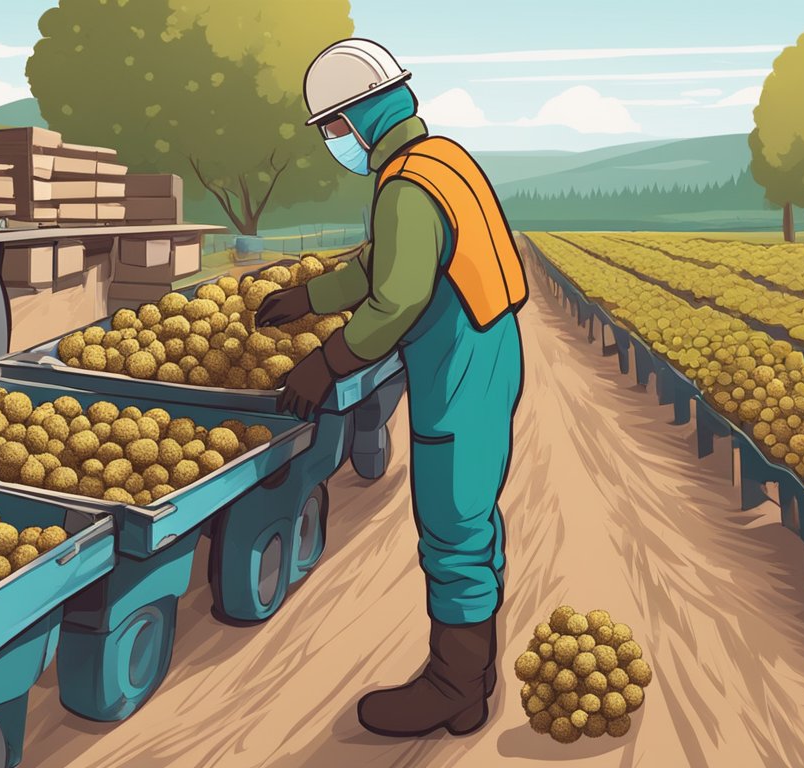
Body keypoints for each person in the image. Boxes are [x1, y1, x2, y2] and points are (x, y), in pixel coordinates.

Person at [257, 38, 527, 737]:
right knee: (471, 514)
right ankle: (471, 674)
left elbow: (398, 298)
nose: (331, 143)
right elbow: (383, 263)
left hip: (457, 363)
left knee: (452, 523)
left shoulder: (405, 186)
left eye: (331, 129)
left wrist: (329, 362)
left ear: (358, 118)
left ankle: (456, 686)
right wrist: (311, 295)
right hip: (488, 351)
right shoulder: (439, 161)